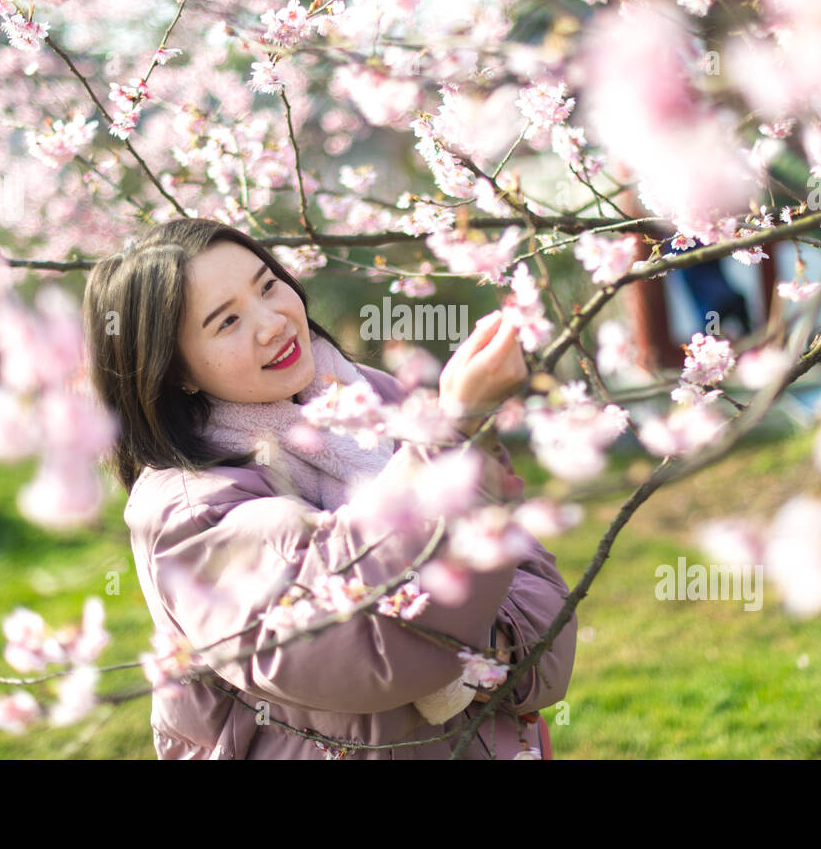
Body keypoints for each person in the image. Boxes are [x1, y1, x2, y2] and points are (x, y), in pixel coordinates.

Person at [82, 219, 578, 759]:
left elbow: (536, 580)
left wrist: (493, 648)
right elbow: (359, 655)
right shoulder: (188, 509)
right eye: (227, 321)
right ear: (177, 372)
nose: (272, 322)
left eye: (268, 285)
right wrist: (453, 437)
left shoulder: (376, 398)